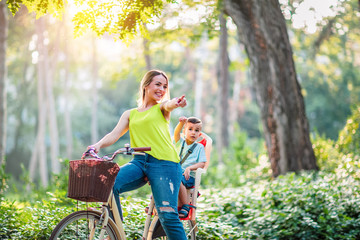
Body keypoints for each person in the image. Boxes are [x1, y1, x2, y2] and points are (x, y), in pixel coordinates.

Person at [87, 70, 188, 239]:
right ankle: (114, 233)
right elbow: (114, 134)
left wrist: (176, 103)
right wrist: (97, 146)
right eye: (157, 84)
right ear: (146, 86)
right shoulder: (130, 114)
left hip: (165, 164)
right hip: (139, 162)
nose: (161, 89)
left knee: (167, 216)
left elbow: (169, 104)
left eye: (164, 86)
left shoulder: (161, 108)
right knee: (110, 185)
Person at [173, 116, 208, 218]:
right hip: (176, 172)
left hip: (189, 177)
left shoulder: (199, 147)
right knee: (161, 175)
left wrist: (189, 168)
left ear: (199, 134)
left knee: (178, 179)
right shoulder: (180, 143)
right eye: (190, 129)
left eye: (196, 130)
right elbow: (176, 133)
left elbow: (202, 163)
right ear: (184, 131)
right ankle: (156, 202)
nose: (193, 132)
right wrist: (181, 123)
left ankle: (185, 206)